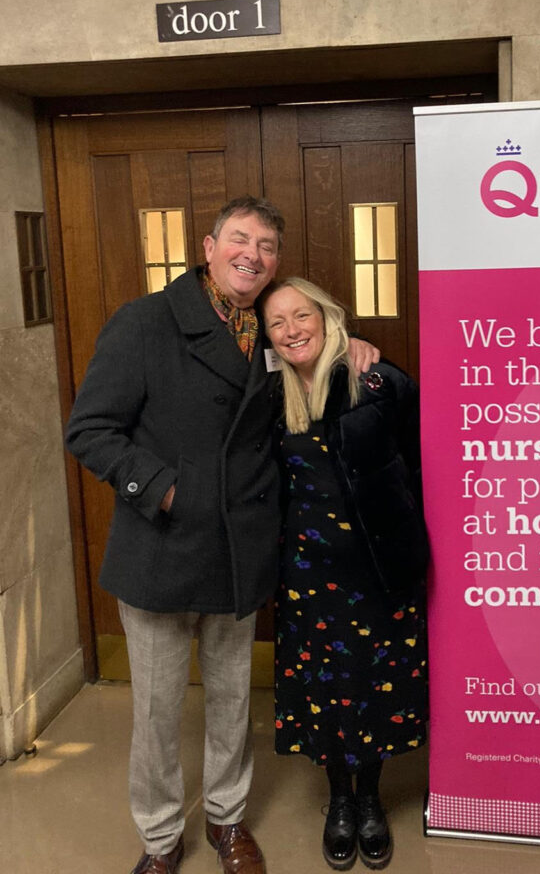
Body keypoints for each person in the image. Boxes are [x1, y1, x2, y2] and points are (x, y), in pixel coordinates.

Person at [65, 198, 379, 874]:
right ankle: (158, 836)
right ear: (208, 247)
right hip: (161, 547)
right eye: (240, 239)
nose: (253, 254)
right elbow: (89, 429)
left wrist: (344, 344)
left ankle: (227, 820)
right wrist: (161, 490)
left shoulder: (271, 331)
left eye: (267, 245)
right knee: (154, 711)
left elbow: (311, 367)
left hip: (241, 550)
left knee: (235, 698)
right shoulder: (145, 323)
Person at [262, 277, 429, 871]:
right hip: (307, 574)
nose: (291, 330)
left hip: (379, 566)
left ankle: (371, 800)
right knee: (327, 688)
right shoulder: (269, 393)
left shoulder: (380, 381)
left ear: (327, 316)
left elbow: (419, 463)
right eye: (277, 323)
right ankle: (339, 800)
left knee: (377, 683)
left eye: (301, 315)